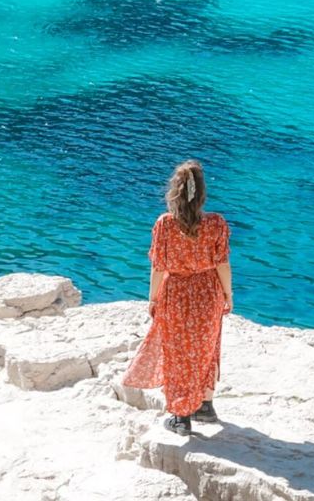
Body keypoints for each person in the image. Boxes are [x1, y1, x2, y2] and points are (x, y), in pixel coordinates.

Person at [122, 160, 233, 436]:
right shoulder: (216, 224)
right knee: (206, 348)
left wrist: (153, 298)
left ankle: (181, 416)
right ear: (202, 193)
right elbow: (222, 263)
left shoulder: (165, 225)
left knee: (177, 352)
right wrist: (228, 295)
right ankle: (205, 404)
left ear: (175, 192)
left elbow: (158, 266)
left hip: (176, 294)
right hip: (208, 293)